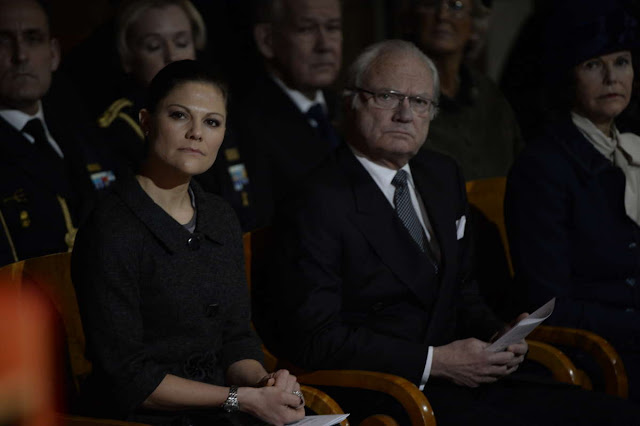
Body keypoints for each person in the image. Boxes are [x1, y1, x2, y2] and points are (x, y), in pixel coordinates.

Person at [254, 39, 640, 425]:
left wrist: (497, 336)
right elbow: (317, 338)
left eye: (420, 101)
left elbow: (463, 292)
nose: (406, 114)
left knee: (613, 415)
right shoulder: (316, 199)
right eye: (388, 96)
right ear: (352, 100)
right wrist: (435, 362)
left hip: (469, 378)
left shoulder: (441, 175)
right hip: (392, 392)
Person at [71, 60, 305, 426]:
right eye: (180, 116)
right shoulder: (111, 226)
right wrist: (240, 399)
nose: (196, 133)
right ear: (147, 122)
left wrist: (265, 385)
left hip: (224, 410)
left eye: (212, 122)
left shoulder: (219, 215)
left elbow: (236, 339)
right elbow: (128, 378)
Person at [505, 0, 640, 402]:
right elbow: (549, 304)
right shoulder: (544, 166)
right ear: (569, 77)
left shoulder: (632, 149)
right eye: (593, 65)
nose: (612, 78)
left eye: (622, 62)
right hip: (598, 346)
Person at [96, 0, 256, 230]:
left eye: (181, 42)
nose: (171, 55)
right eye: (153, 46)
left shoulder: (227, 109)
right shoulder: (117, 130)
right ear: (127, 57)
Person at [0, 0, 116, 267]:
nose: (21, 56)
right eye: (4, 41)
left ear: (53, 54)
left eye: (33, 39)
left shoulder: (85, 135)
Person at [232, 0, 342, 227]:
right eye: (307, 29)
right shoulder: (243, 123)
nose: (324, 45)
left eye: (332, 27)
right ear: (267, 40)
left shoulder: (352, 108)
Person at [404, 0, 522, 180]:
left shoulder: (488, 94)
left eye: (455, 6)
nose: (442, 16)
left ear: (474, 23)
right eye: (430, 3)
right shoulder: (398, 93)